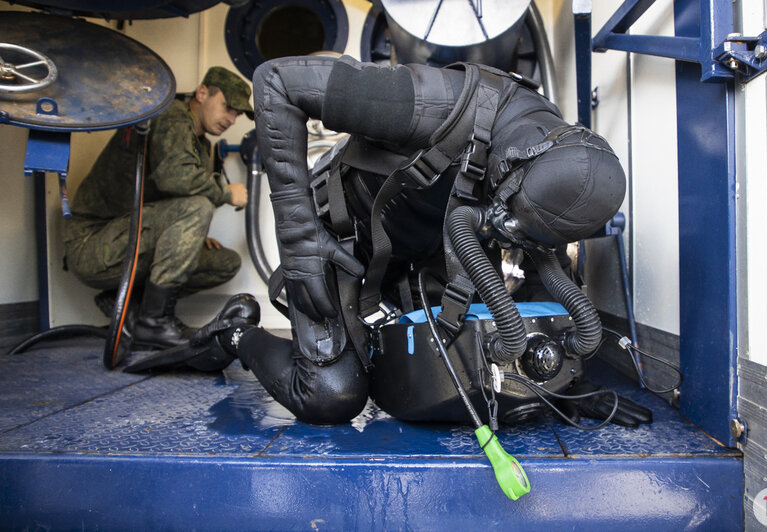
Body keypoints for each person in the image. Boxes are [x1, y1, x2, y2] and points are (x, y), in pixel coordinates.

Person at [129, 55, 650, 429]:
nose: (511, 232)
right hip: (340, 243)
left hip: (422, 257)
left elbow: (541, 276)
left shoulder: (553, 160)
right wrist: (301, 238)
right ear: (511, 168)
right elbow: (274, 83)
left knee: (450, 379)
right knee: (333, 395)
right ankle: (235, 335)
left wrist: (567, 384)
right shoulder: (434, 101)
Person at [64, 66, 252, 349]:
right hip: (92, 244)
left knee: (224, 263)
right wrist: (227, 192)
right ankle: (154, 325)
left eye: (236, 114)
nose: (231, 119)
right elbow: (174, 177)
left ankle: (128, 306)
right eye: (227, 107)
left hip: (127, 238)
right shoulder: (171, 115)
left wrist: (188, 237)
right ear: (202, 93)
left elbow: (168, 196)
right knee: (198, 207)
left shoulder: (199, 142)